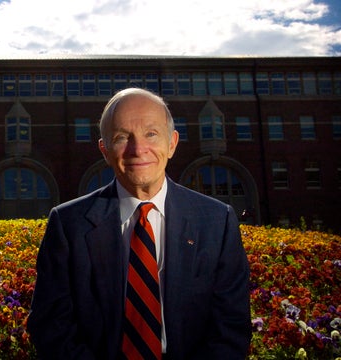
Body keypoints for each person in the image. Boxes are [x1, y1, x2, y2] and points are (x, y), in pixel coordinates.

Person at [27, 88, 251, 359]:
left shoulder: (217, 222)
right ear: (105, 150)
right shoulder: (68, 225)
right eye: (122, 137)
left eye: (151, 134)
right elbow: (52, 328)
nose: (137, 149)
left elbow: (230, 328)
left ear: (172, 143)